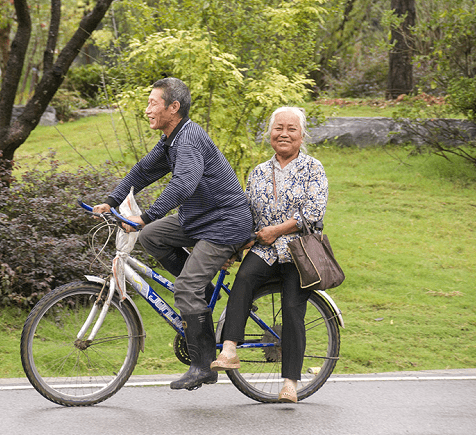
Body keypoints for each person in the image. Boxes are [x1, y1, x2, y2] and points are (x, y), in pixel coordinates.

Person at [93, 77, 254, 391]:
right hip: (200, 219)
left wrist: (146, 215)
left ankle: (203, 365)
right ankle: (204, 293)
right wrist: (112, 200)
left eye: (153, 103)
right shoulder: (171, 139)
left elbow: (183, 184)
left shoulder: (188, 138)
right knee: (153, 236)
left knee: (184, 288)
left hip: (224, 222)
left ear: (174, 107)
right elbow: (143, 171)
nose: (147, 109)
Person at [209, 106, 329, 403]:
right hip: (264, 250)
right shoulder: (260, 172)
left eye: (291, 128)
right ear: (270, 134)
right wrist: (234, 251)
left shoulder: (314, 168)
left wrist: (277, 230)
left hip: (298, 252)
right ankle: (229, 350)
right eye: (278, 128)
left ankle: (290, 383)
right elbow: (247, 217)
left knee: (292, 309)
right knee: (244, 280)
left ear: (302, 135)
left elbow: (313, 213)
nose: (284, 134)